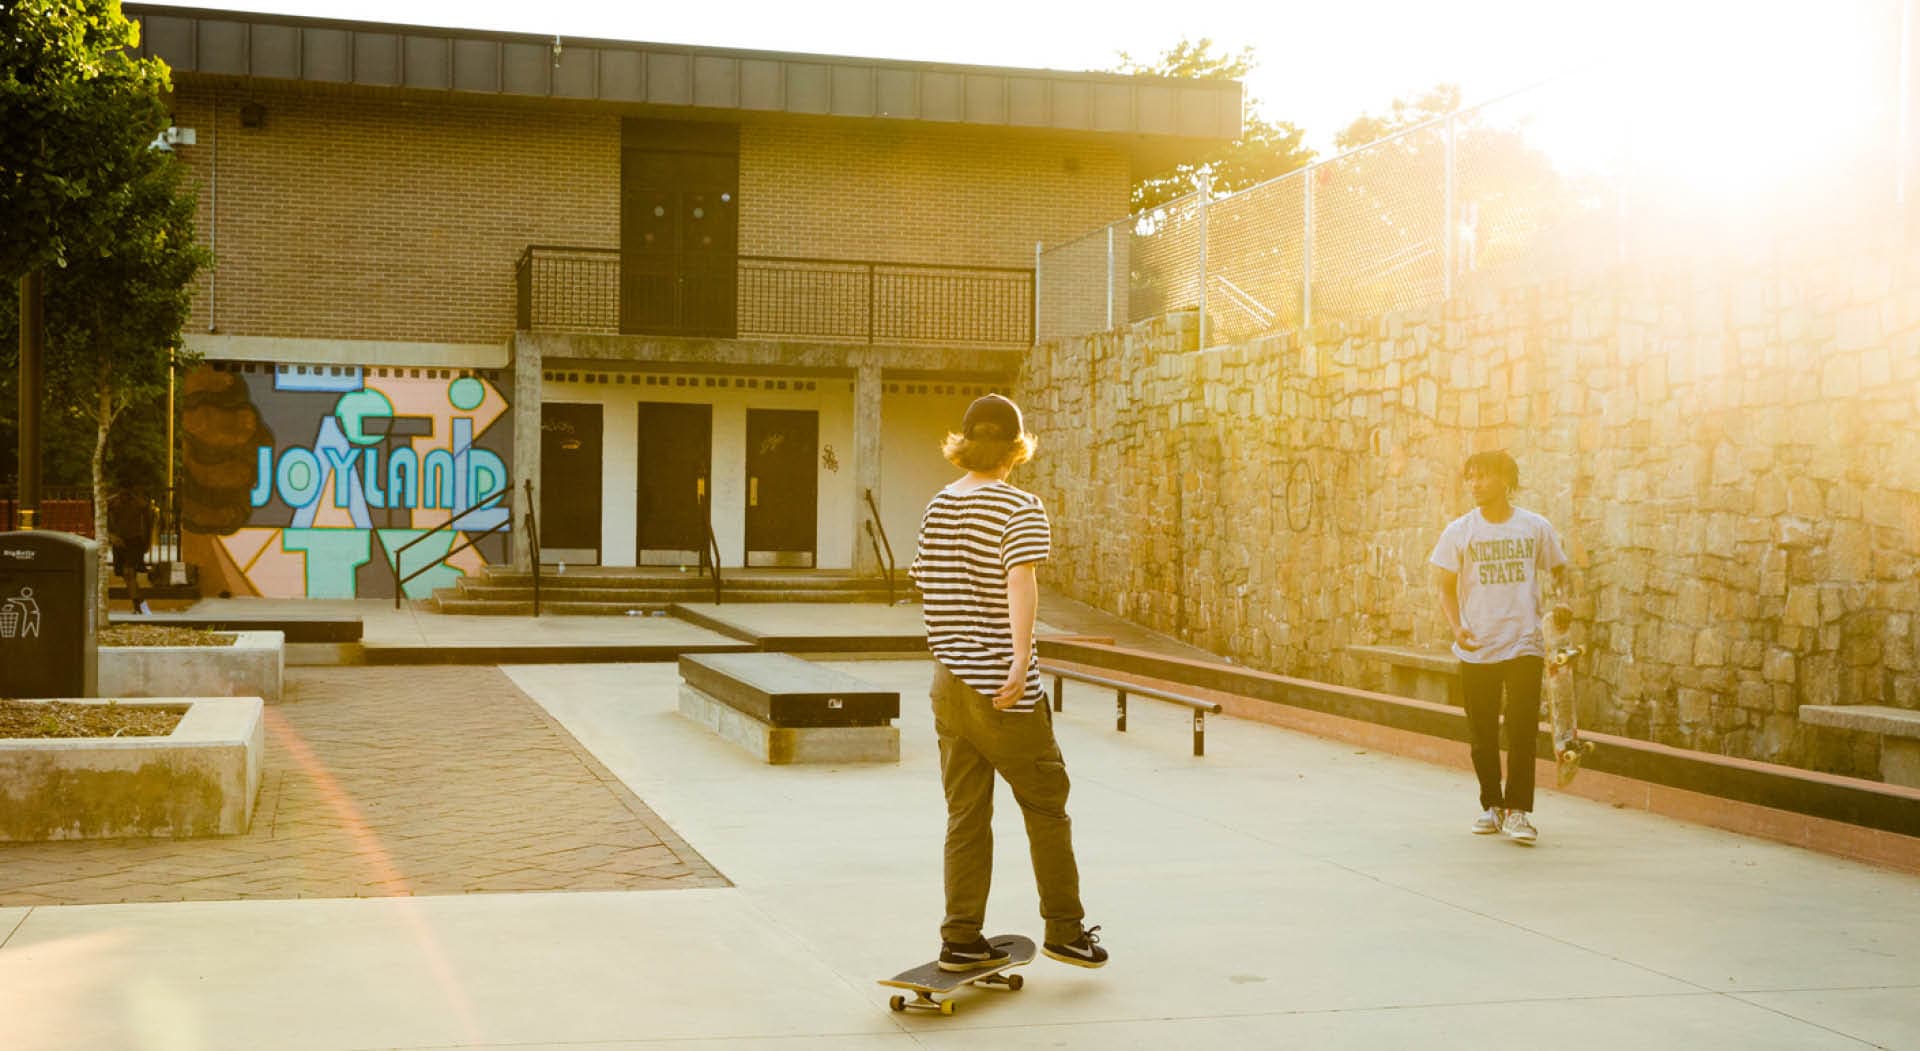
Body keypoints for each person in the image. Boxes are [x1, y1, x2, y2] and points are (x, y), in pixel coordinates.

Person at [908, 393, 1107, 971]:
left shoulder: (938, 505)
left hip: (948, 680)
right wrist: (1020, 661)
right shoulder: (1020, 506)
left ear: (965, 445)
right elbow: (1021, 579)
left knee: (966, 814)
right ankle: (1066, 930)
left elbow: (926, 579)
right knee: (1047, 804)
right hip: (1003, 687)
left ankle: (961, 937)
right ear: (1017, 449)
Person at [1428, 450, 1568, 845]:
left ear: (1505, 480)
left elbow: (1559, 570)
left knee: (1522, 729)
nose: (1475, 484)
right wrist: (1457, 628)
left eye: (1483, 476)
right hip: (1477, 644)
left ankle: (1519, 811)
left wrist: (1562, 602)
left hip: (1525, 641)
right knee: (1482, 732)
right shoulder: (1459, 531)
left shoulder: (1534, 527)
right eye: (1470, 477)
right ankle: (1492, 804)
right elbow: (1445, 586)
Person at [107, 487, 155, 615]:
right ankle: (140, 603)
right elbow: (100, 518)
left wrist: (147, 542)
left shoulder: (140, 503)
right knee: (125, 575)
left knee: (129, 573)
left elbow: (149, 523)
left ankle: (139, 607)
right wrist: (111, 536)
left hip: (135, 541)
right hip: (119, 542)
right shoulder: (111, 502)